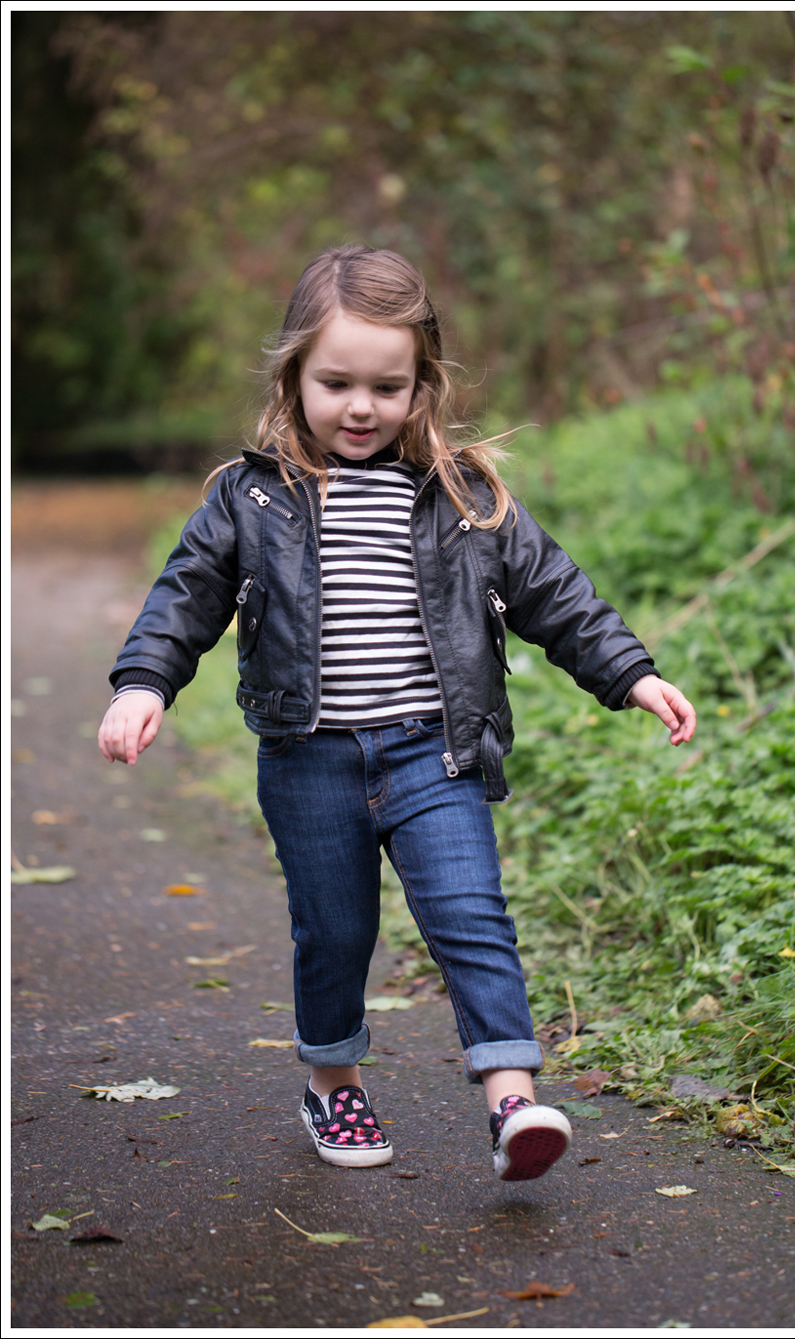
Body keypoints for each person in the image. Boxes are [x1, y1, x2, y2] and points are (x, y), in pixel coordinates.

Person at [98, 245, 696, 1182]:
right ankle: (333, 1080)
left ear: (423, 385)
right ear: (293, 376)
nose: (361, 407)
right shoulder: (252, 497)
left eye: (388, 386)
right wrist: (143, 682)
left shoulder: (463, 495)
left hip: (434, 754)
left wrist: (629, 673)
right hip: (309, 759)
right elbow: (186, 596)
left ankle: (511, 1100)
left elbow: (555, 592)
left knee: (471, 914)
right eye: (336, 383)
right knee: (335, 931)